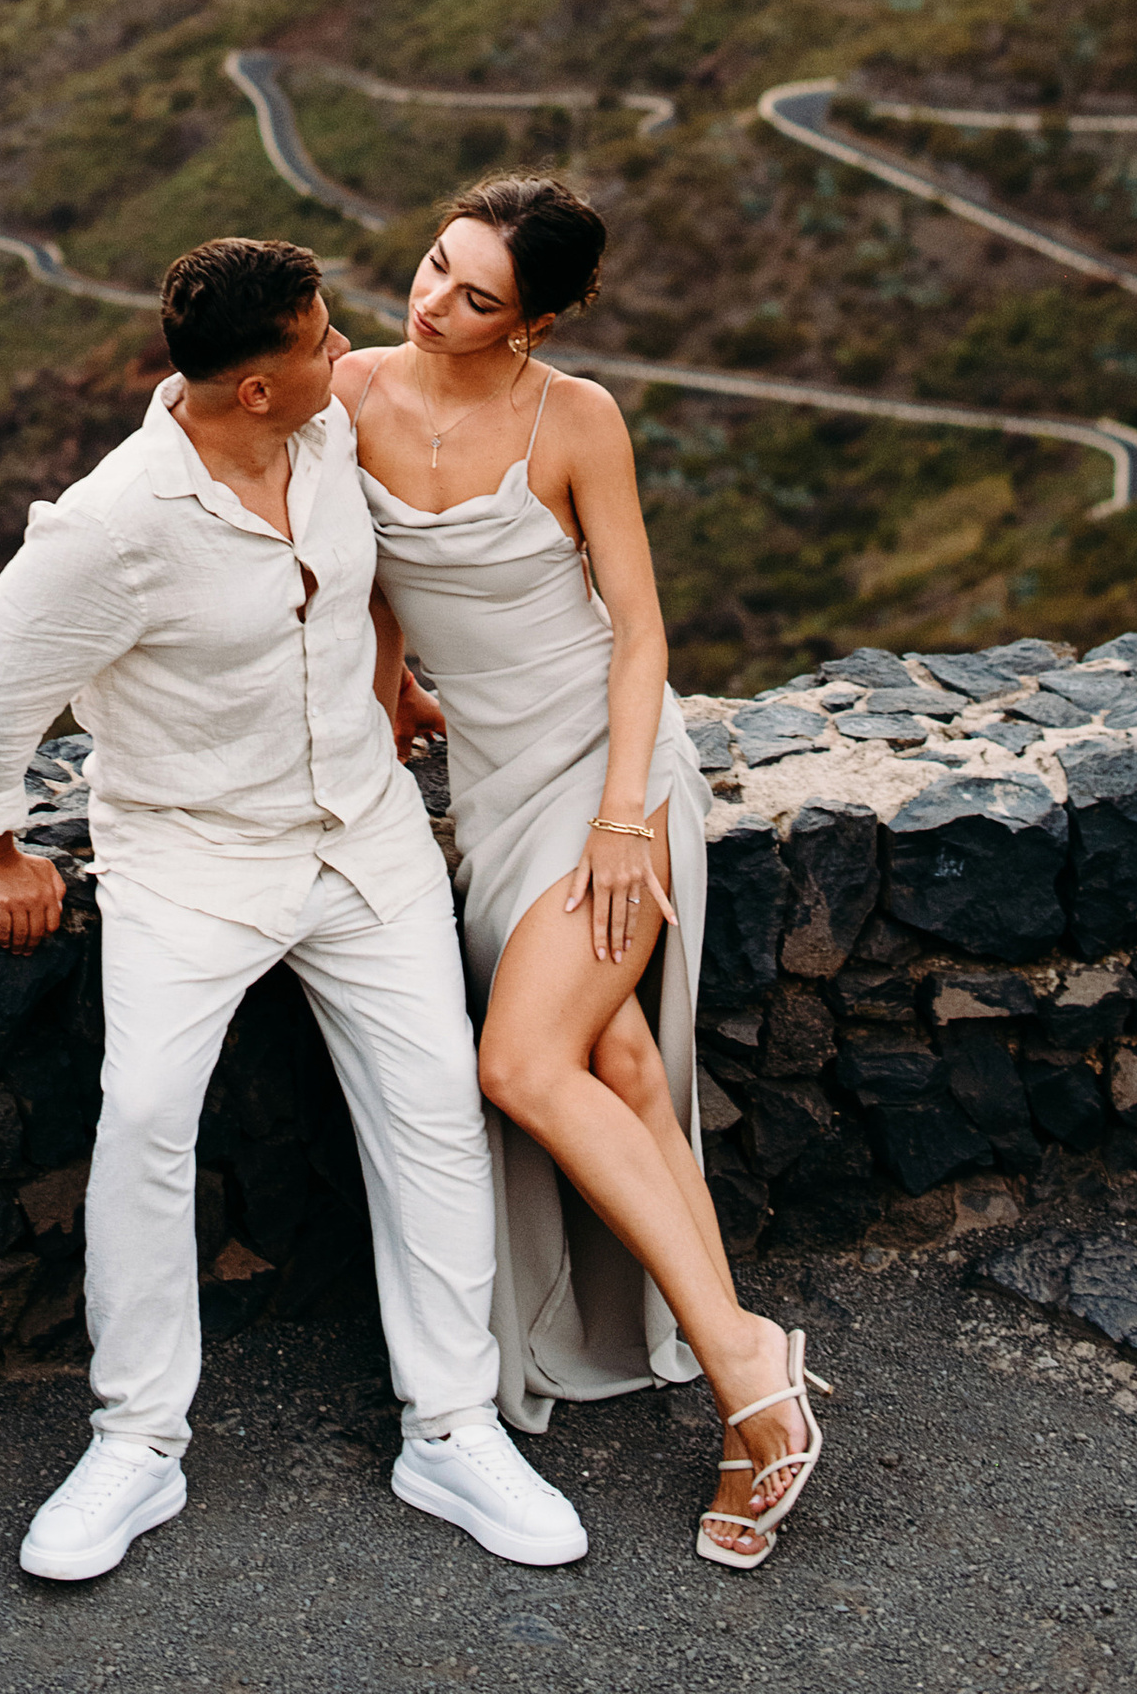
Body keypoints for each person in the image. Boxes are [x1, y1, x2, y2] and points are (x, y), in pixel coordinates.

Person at [0, 233, 589, 1585]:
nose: (347, 351)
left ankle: (451, 1431)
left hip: (365, 836)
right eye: (320, 340)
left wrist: (392, 687)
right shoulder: (114, 526)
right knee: (148, 1121)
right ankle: (135, 1445)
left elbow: (365, 587)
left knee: (435, 1112)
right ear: (258, 390)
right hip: (191, 855)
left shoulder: (324, 440)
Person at [344, 174, 829, 1571]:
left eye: (477, 296)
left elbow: (637, 637)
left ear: (536, 318)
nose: (434, 301)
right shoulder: (356, 392)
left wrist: (627, 816)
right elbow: (371, 575)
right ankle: (752, 1370)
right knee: (610, 1062)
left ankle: (750, 1380)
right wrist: (388, 693)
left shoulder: (580, 418)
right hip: (493, 781)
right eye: (434, 266)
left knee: (520, 1064)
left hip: (610, 768)